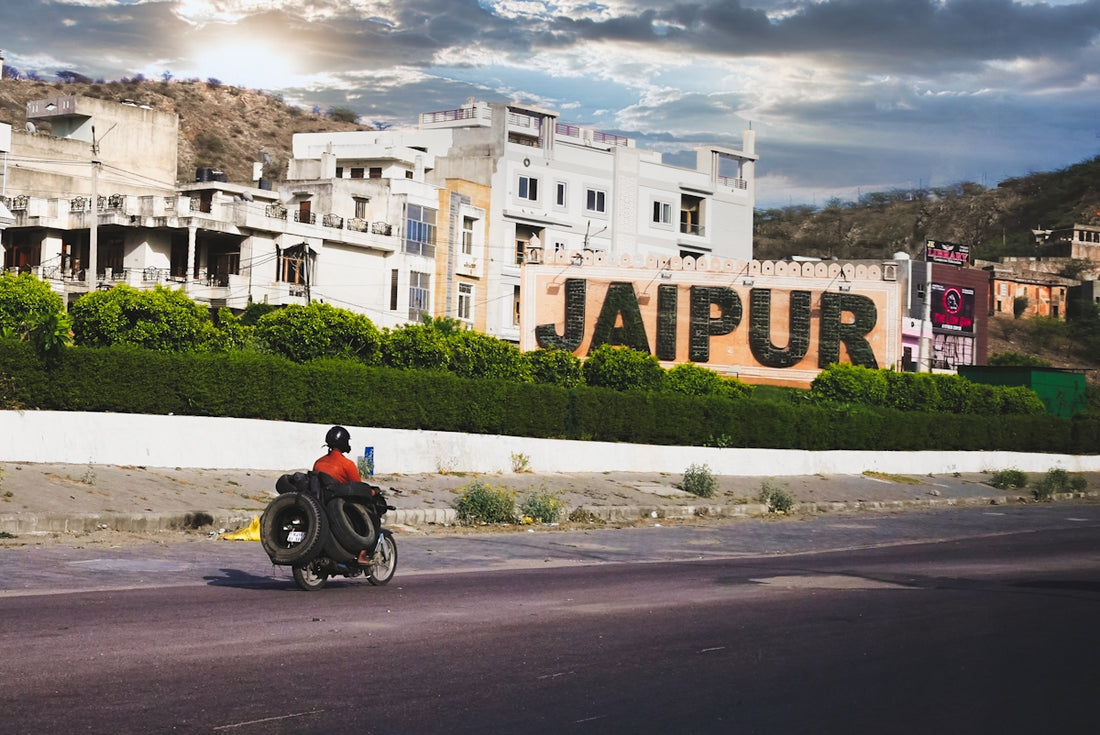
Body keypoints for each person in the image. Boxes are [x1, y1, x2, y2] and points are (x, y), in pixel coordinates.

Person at [313, 425, 373, 564]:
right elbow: (358, 488)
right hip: (340, 505)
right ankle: (362, 553)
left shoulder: (318, 462)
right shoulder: (347, 464)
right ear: (344, 442)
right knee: (367, 515)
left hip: (321, 503)